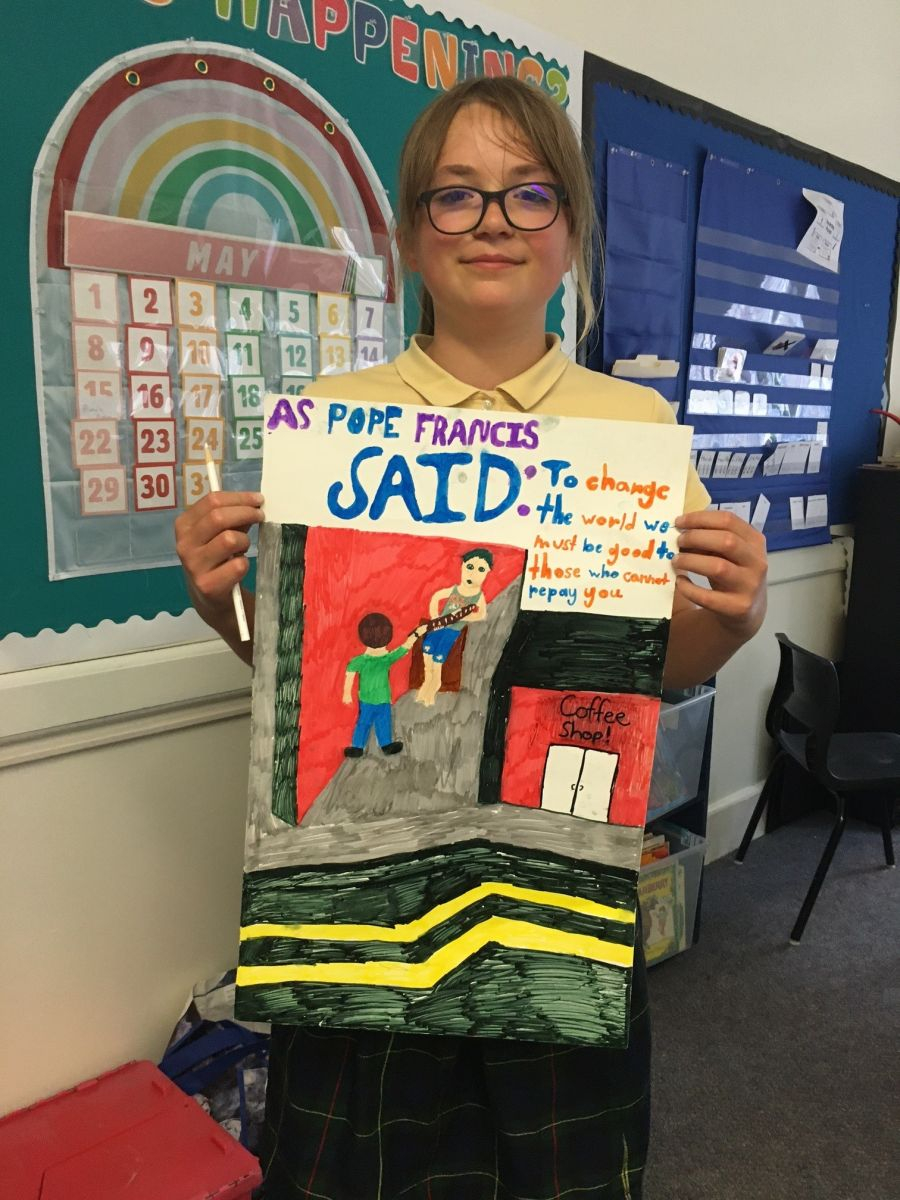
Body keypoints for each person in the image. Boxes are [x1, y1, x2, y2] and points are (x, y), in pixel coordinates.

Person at [175, 75, 766, 1200]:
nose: (493, 220)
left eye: (528, 194)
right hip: (362, 908)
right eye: (456, 196)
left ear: (571, 232)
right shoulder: (336, 422)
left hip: (557, 905)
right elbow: (317, 679)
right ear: (408, 233)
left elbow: (645, 673)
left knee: (563, 1177)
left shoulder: (632, 431)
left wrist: (731, 625)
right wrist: (228, 608)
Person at [417, 546, 492, 705]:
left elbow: (481, 614)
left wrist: (464, 617)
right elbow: (436, 597)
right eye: (470, 567)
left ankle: (433, 687)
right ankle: (427, 683)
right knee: (428, 648)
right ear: (462, 567)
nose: (473, 573)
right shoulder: (455, 590)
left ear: (487, 573)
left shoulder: (478, 596)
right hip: (438, 627)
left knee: (439, 658)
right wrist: (435, 617)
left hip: (452, 632)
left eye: (480, 569)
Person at [343, 611, 424, 756]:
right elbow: (404, 648)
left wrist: (347, 693)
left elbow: (350, 671)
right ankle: (381, 745)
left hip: (369, 699)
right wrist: (416, 635)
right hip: (381, 699)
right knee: (378, 722)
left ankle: (360, 747)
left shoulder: (361, 660)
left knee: (366, 723)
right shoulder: (386, 658)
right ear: (388, 638)